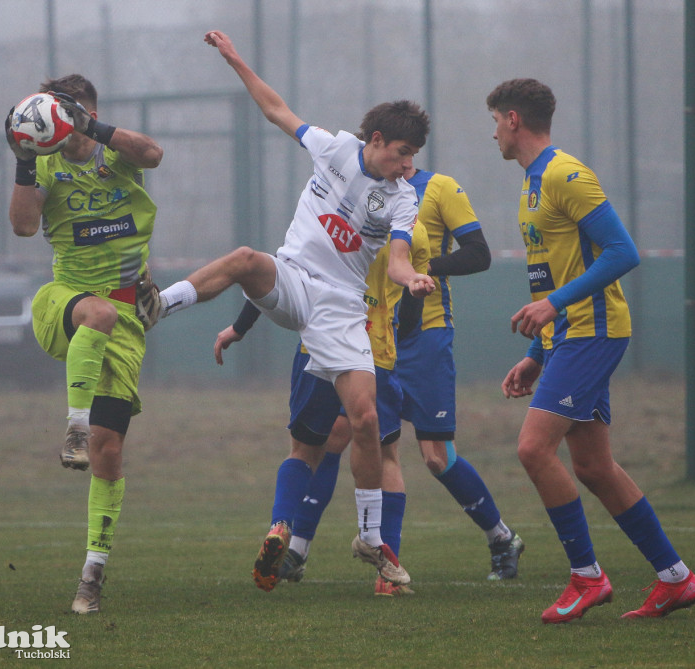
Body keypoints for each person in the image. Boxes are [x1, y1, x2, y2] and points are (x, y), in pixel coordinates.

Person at [157, 29, 435, 590]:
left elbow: (399, 256)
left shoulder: (403, 195)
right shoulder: (333, 148)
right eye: (404, 153)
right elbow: (276, 108)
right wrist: (236, 59)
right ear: (378, 141)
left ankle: (367, 536)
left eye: (413, 158)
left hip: (338, 308)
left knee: (365, 420)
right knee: (242, 258)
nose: (408, 165)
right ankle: (157, 305)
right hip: (293, 281)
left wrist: (411, 278)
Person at [486, 78, 695, 623]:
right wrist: (538, 352)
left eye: (494, 121)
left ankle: (587, 577)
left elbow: (622, 252)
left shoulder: (565, 174)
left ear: (513, 119)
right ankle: (675, 579)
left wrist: (555, 305)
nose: (492, 134)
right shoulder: (532, 182)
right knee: (593, 465)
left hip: (593, 331)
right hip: (567, 339)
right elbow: (556, 272)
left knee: (534, 450)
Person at [6, 74, 165, 614]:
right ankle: (72, 427)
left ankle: (92, 575)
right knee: (94, 313)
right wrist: (25, 161)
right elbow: (24, 226)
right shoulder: (47, 164)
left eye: (73, 120)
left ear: (88, 114)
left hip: (125, 318)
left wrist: (91, 126)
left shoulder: (115, 155)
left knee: (110, 453)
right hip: (66, 300)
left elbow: (153, 153)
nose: (66, 134)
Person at [216, 220, 430, 596]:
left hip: (316, 346)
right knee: (387, 456)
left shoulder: (327, 217)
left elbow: (281, 278)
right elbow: (411, 309)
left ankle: (281, 525)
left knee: (304, 451)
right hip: (373, 351)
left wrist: (239, 327)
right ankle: (386, 573)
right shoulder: (413, 230)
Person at [395, 165, 525, 580]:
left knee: (436, 457)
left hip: (427, 337)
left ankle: (501, 537)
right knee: (348, 435)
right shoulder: (363, 189)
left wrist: (423, 269)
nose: (399, 159)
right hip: (372, 334)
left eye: (407, 150)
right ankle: (298, 550)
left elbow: (478, 253)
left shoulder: (439, 188)